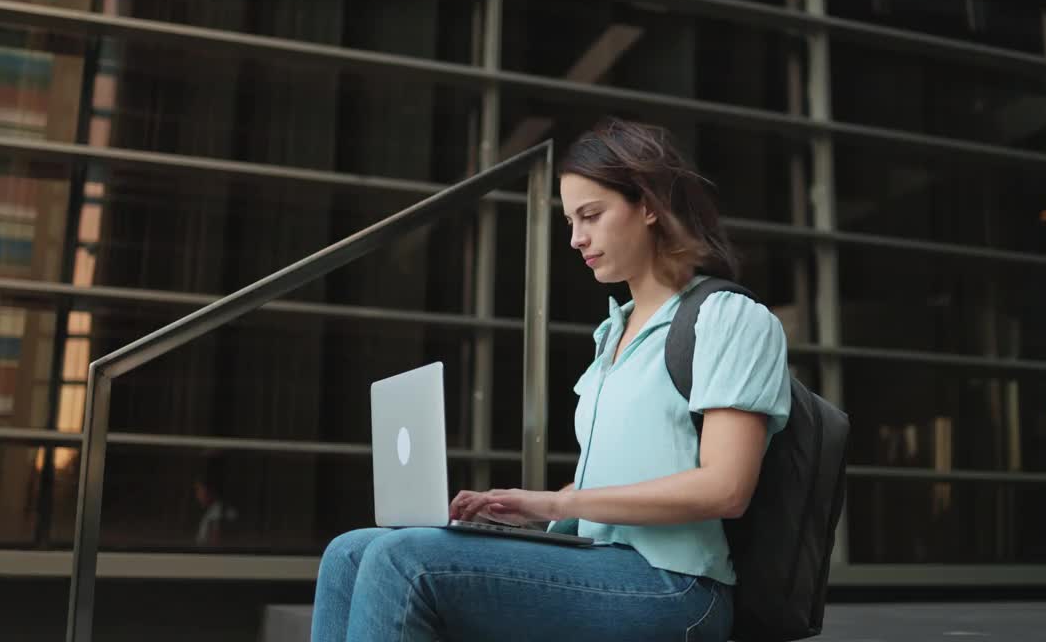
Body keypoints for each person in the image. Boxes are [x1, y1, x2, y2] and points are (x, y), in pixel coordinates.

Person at [311, 118, 791, 642]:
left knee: (405, 561)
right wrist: (529, 509)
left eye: (591, 215)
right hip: (597, 561)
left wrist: (559, 504)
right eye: (569, 221)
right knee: (350, 552)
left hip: (675, 587)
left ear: (649, 205)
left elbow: (726, 488)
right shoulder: (615, 331)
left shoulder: (730, 318)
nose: (576, 238)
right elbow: (619, 477)